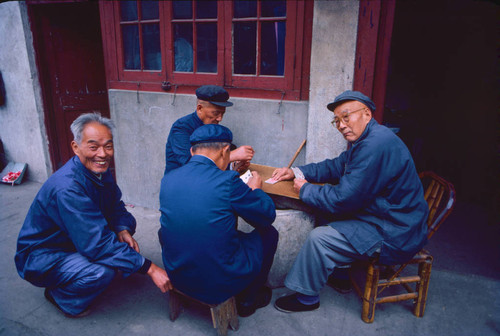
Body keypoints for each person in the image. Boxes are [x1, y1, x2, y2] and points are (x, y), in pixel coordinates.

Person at [271, 90, 429, 312]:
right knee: (325, 213)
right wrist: (296, 171)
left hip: (395, 229)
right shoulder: (368, 138)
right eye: (336, 120)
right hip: (387, 216)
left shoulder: (376, 145)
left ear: (366, 113)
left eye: (346, 117)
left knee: (321, 238)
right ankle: (341, 273)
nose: (341, 125)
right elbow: (336, 166)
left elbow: (343, 200)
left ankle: (307, 298)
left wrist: (305, 189)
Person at [15, 113, 172, 318]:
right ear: (75, 147)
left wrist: (122, 228)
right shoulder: (68, 188)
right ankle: (62, 297)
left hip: (73, 239)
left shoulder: (99, 172)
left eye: (108, 146)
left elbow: (115, 205)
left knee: (120, 242)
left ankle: (92, 264)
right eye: (93, 146)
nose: (103, 154)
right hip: (42, 256)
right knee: (100, 271)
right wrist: (150, 269)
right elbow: (96, 243)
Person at [159, 124, 278, 317]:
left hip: (177, 273)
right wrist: (255, 189)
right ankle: (248, 299)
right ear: (225, 151)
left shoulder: (169, 178)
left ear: (192, 151)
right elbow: (265, 217)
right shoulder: (228, 181)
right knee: (269, 234)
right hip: (216, 282)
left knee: (173, 229)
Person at [164, 85, 254, 174]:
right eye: (216, 113)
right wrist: (231, 156)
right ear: (199, 108)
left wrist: (233, 165)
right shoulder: (181, 128)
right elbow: (190, 164)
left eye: (223, 113)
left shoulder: (213, 127)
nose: (220, 119)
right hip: (181, 183)